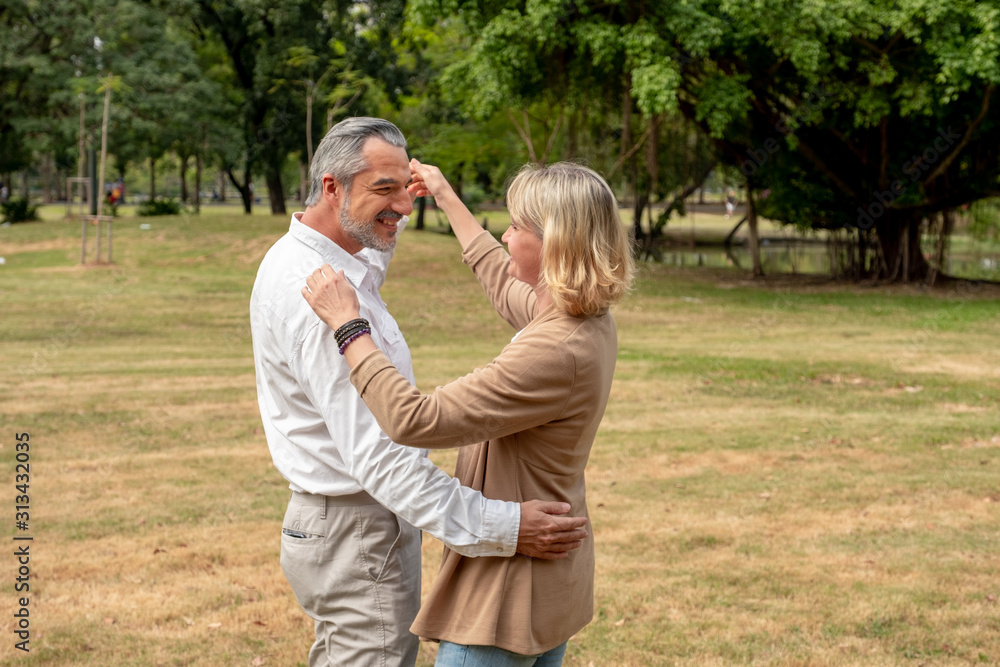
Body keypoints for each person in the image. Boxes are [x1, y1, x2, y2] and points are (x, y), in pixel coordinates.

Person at [249, 117, 588, 667]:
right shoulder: (319, 298)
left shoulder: (340, 259)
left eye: (405, 190)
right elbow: (381, 456)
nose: (404, 210)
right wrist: (505, 527)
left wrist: (435, 196)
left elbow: (378, 239)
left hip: (350, 525)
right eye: (385, 190)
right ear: (331, 187)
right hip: (356, 527)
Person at [302, 159, 634, 665]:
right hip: (549, 586)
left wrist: (349, 325)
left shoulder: (556, 349)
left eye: (518, 226)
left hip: (505, 598)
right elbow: (504, 283)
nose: (505, 235)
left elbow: (415, 420)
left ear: (554, 244)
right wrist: (445, 197)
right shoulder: (585, 319)